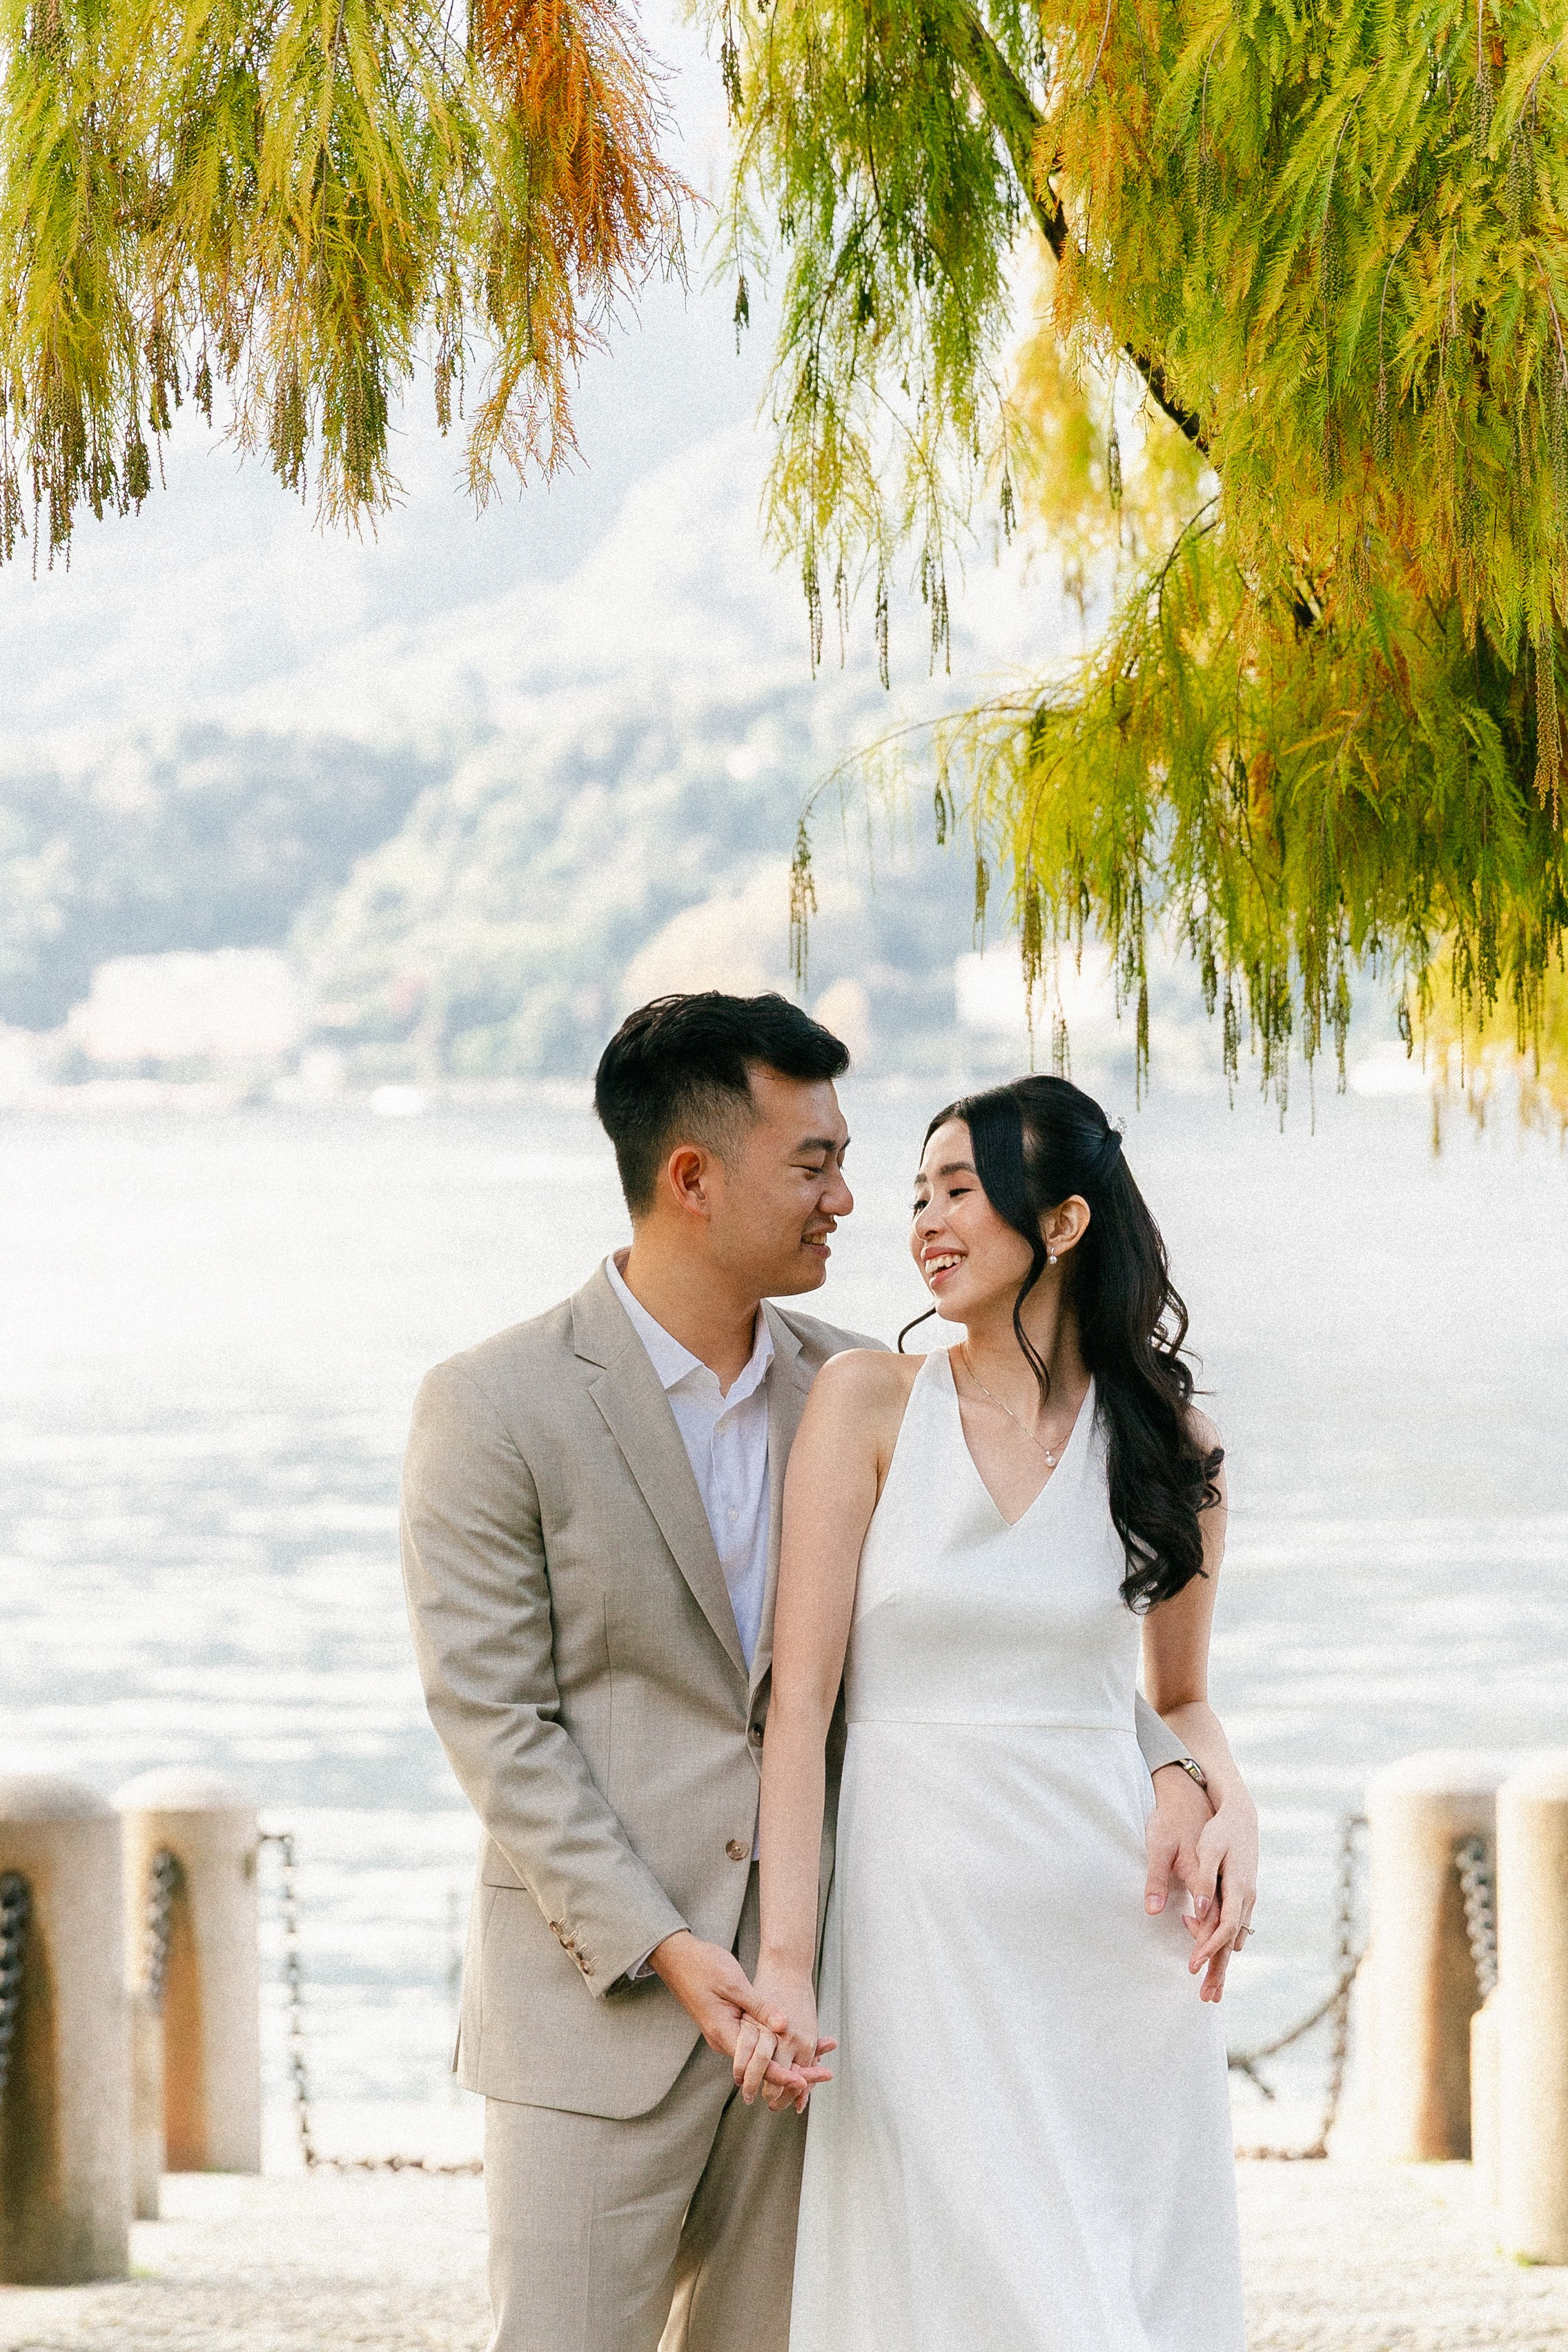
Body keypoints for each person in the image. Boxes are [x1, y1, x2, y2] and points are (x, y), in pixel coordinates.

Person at [400, 999, 1217, 2352]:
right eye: (815, 1164)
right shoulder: (493, 1404)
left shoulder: (870, 1392)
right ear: (690, 1179)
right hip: (599, 2014)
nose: (850, 1201)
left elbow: (1013, 1641)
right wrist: (672, 1950)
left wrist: (1177, 1765)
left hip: (834, 2016)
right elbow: (499, 1730)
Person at [739, 1074, 1253, 2352]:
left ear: (1064, 1222)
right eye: (917, 1196)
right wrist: (787, 1965)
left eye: (958, 1191)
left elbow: (1179, 1697)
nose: (922, 1220)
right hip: (916, 1929)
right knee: (957, 2288)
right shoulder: (866, 1404)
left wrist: (1228, 1799)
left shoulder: (1168, 1447)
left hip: (1106, 1929)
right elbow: (799, 1706)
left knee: (1103, 2300)